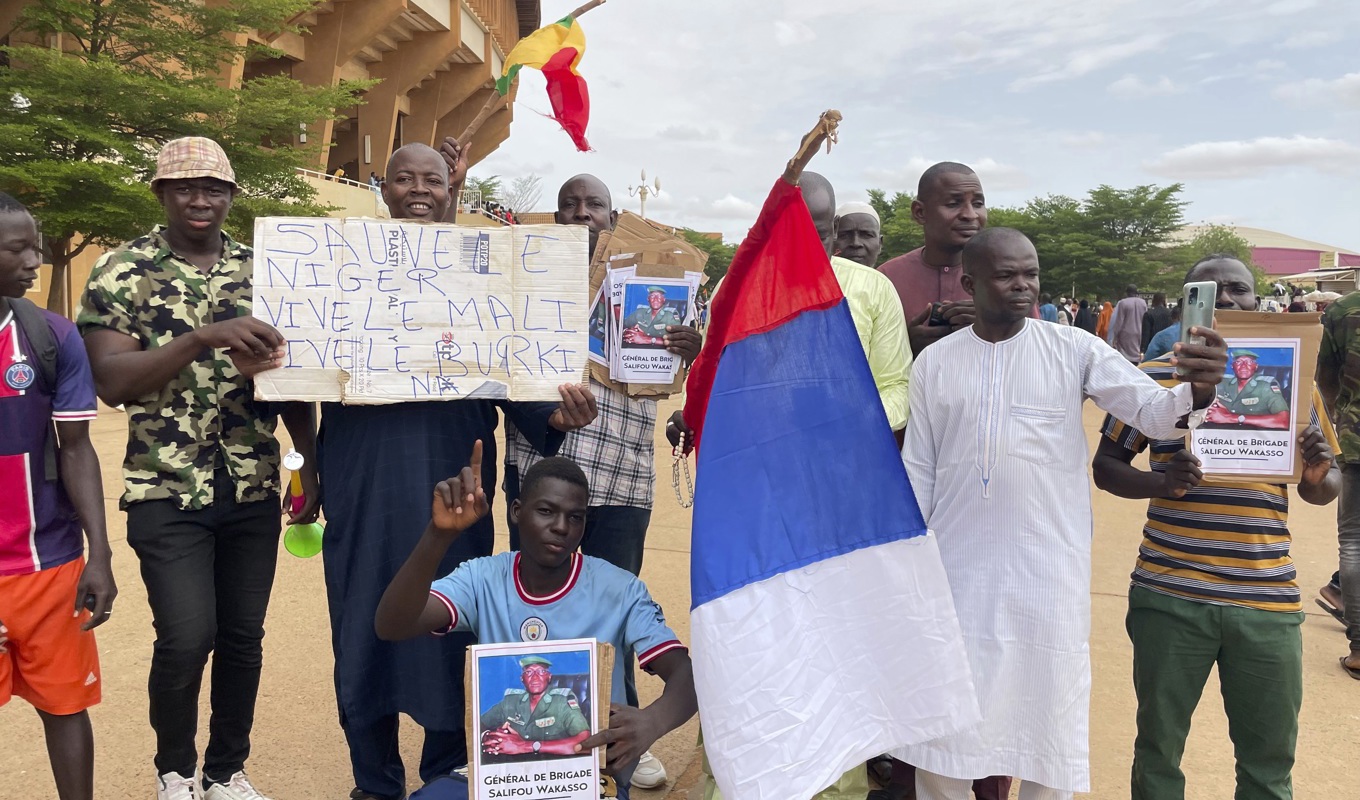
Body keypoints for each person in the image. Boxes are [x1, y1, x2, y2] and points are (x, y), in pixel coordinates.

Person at [899, 228, 1228, 800]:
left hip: (1047, 566)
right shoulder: (934, 364)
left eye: (1031, 273)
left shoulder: (1074, 349)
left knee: (1048, 709)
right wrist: (911, 562)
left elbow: (1151, 413)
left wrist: (1196, 392)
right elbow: (918, 470)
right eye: (1008, 275)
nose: (1024, 285)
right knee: (949, 719)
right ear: (972, 283)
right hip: (954, 569)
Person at [318, 144, 598, 800]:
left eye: (433, 180)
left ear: (452, 190)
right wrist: (301, 458)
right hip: (362, 483)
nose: (419, 189)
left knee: (451, 624)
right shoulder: (338, 272)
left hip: (455, 487)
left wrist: (559, 414)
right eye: (405, 178)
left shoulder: (486, 278)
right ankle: (375, 782)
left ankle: (446, 773)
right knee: (362, 627)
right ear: (381, 188)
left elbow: (521, 375)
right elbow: (299, 372)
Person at [78, 137, 320, 800]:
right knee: (187, 637)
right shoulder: (123, 270)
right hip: (164, 485)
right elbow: (111, 381)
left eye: (214, 188)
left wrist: (306, 469)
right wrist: (199, 338)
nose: (200, 199)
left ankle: (226, 772)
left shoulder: (266, 271)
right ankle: (175, 771)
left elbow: (299, 383)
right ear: (160, 192)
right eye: (185, 186)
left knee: (243, 637)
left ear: (231, 196)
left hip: (252, 481)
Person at [1093, 254, 1339, 799]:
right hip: (1169, 595)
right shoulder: (1153, 380)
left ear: (1259, 302)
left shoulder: (1293, 379)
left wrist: (1320, 475)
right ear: (1188, 306)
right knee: (1158, 752)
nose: (1227, 301)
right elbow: (1106, 468)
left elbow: (1322, 490)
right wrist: (1160, 483)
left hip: (1266, 600)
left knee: (1269, 765)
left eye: (1240, 291)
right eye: (1210, 291)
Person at [508, 173, 700, 790]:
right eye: (569, 205)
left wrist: (691, 346)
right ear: (555, 216)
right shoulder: (528, 284)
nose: (580, 214)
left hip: (623, 475)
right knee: (532, 609)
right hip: (545, 476)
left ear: (612, 217)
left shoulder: (653, 284)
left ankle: (619, 737)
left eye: (593, 205)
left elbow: (685, 359)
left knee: (615, 613)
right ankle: (526, 737)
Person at [374, 447, 698, 798]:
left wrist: (653, 721)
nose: (561, 527)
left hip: (584, 780)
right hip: (501, 780)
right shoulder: (483, 577)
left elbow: (687, 675)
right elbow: (392, 624)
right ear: (517, 511)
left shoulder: (621, 590)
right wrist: (438, 535)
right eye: (546, 511)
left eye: (575, 517)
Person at [0, 193, 114, 800]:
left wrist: (99, 556)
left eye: (35, 245)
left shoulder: (51, 335)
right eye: (15, 248)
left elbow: (76, 449)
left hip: (49, 565)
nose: (34, 260)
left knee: (66, 708)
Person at [877, 162, 985, 356]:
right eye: (953, 204)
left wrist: (993, 327)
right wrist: (905, 347)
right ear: (920, 212)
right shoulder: (885, 280)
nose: (970, 215)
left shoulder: (1007, 277)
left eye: (978, 204)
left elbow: (1035, 348)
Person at [1316, 288, 1360, 679]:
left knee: (1354, 539)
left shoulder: (1344, 309)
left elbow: (1324, 380)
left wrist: (1337, 418)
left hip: (1353, 437)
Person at [479, 656, 590, 760]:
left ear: (549, 677)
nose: (535, 677)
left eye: (541, 671)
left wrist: (524, 746)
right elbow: (479, 724)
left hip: (554, 767)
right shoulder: (510, 701)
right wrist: (487, 737)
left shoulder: (562, 701)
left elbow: (585, 742)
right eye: (529, 672)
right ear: (522, 678)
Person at [1202, 349, 1291, 429]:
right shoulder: (1221, 382)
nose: (1244, 366)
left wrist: (1231, 417)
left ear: (1255, 366)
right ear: (1233, 366)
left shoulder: (1266, 386)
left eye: (1249, 362)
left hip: (1255, 439)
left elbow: (1284, 421)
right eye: (1239, 362)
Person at [833, 201, 884, 267]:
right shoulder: (817, 277)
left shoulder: (889, 276)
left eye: (867, 235)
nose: (855, 243)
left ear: (880, 243)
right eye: (844, 235)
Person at [1107, 285, 1148, 363]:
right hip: (1140, 332)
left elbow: (1119, 321)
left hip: (1126, 334)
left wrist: (1115, 336)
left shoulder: (1123, 303)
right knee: (1137, 354)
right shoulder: (1143, 303)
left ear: (1127, 293)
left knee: (1125, 358)